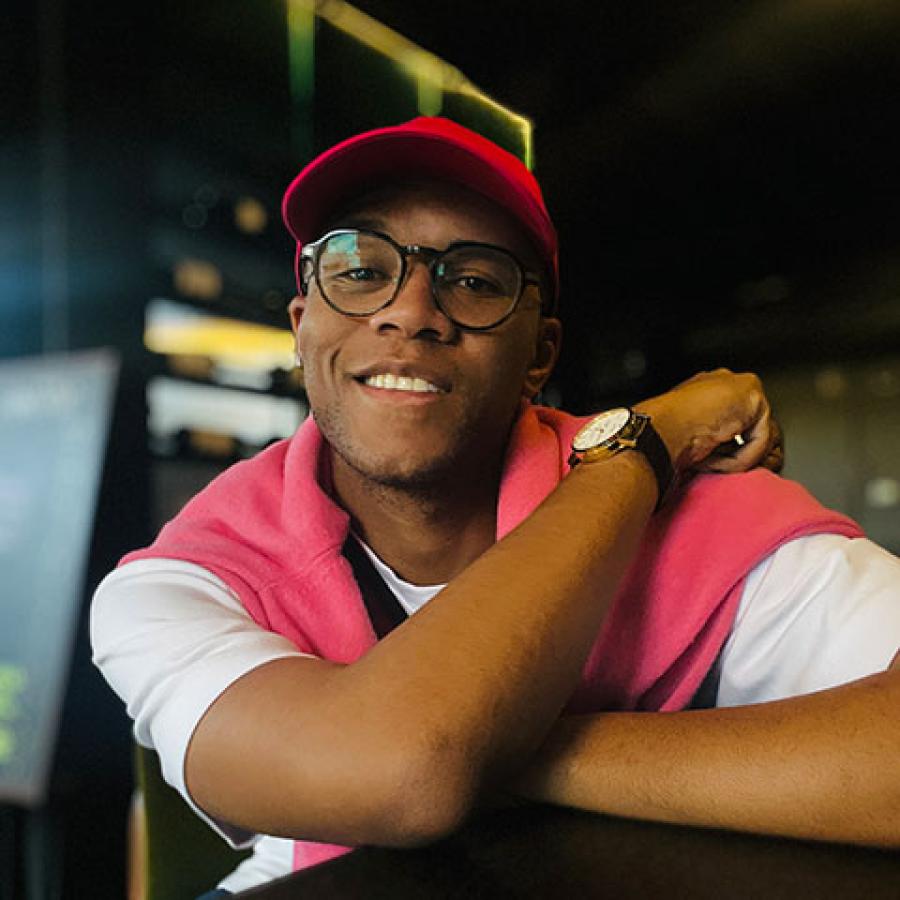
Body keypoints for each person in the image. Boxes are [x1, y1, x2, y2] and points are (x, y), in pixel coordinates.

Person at [92, 117, 900, 894]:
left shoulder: (711, 521)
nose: (411, 312)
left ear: (538, 355)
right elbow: (392, 774)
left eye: (475, 281)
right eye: (361, 271)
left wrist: (478, 746)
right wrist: (649, 440)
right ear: (303, 329)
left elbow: (397, 764)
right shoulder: (185, 581)